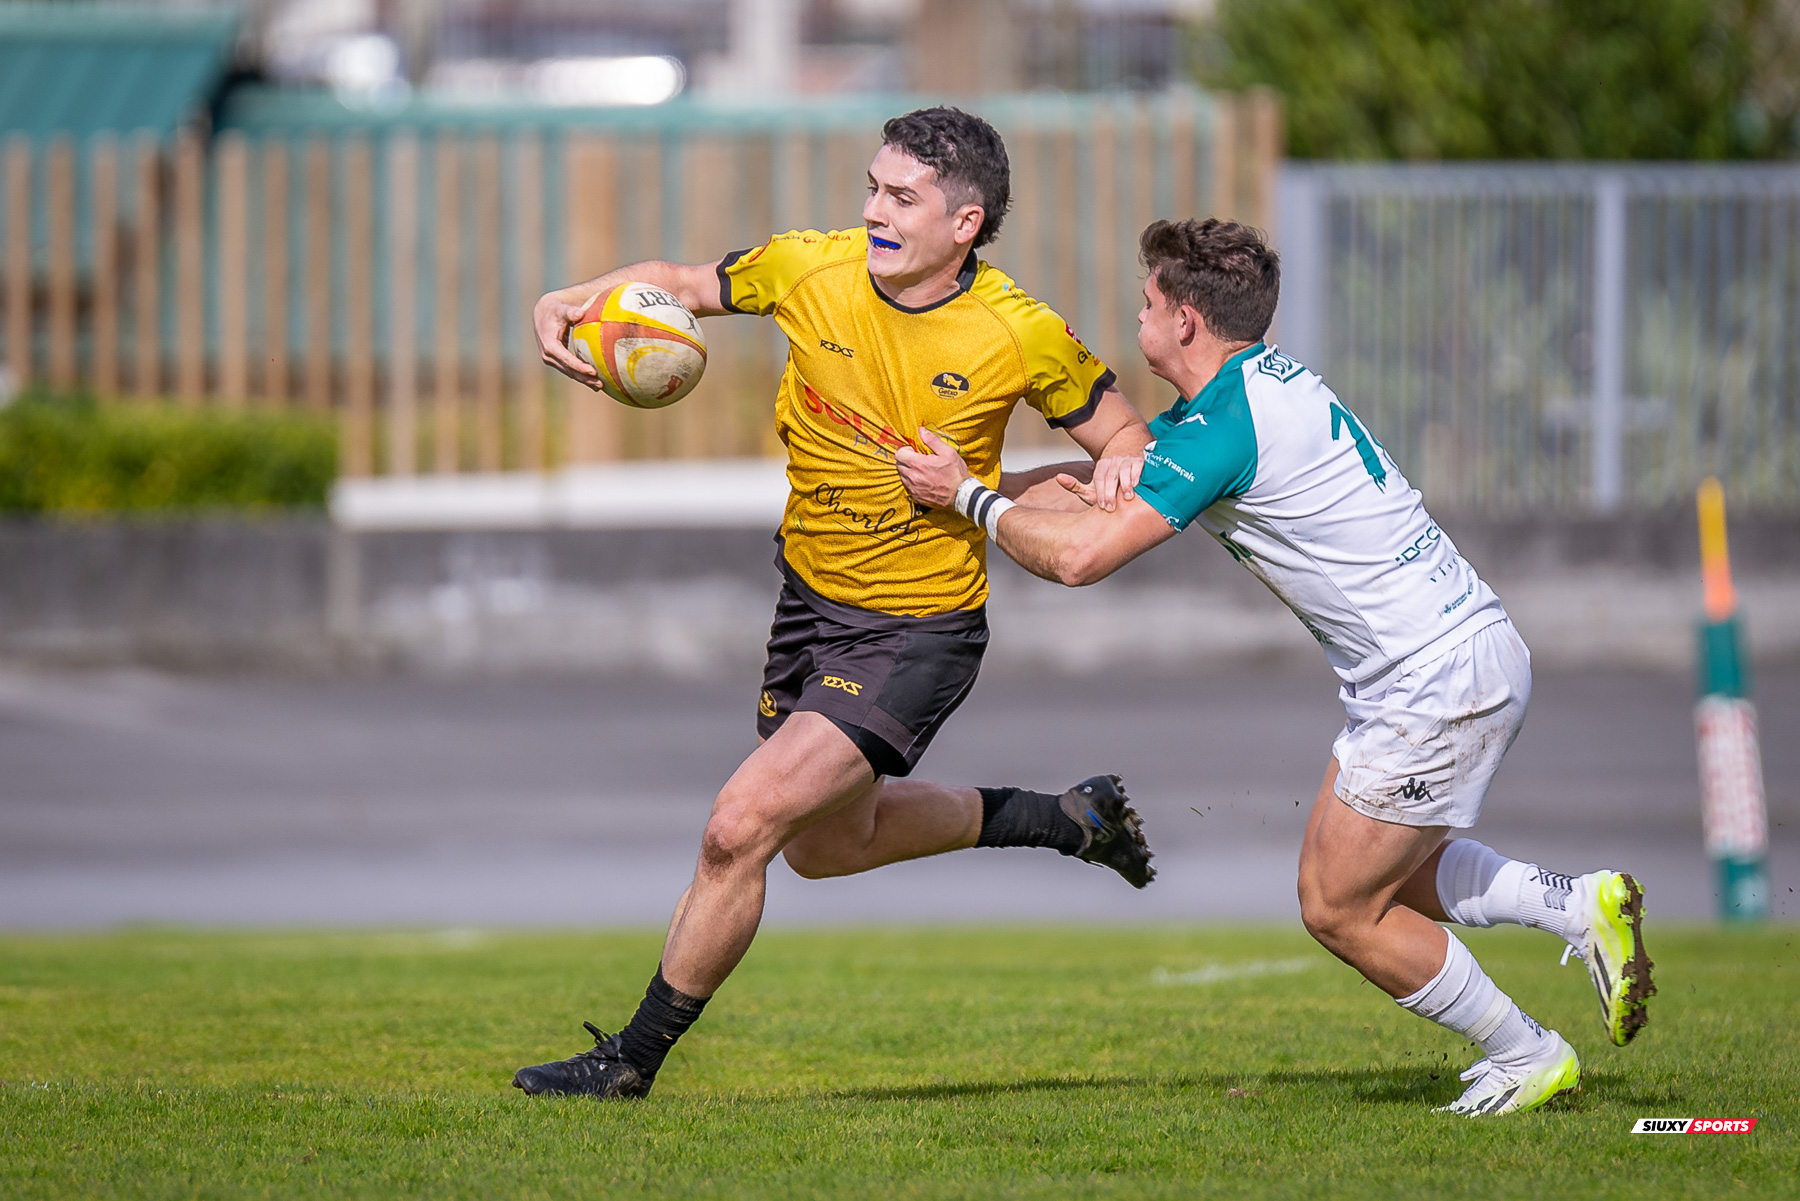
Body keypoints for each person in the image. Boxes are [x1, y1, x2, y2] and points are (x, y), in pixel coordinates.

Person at [896, 217, 1656, 1117]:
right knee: (1385, 875)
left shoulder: (1222, 428)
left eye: (1146, 302)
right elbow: (1109, 478)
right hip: (1452, 656)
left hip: (1432, 680)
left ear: (1184, 321)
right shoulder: (1244, 394)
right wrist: (990, 480)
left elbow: (1080, 559)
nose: (1133, 316)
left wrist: (971, 501)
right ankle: (1576, 904)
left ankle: (1527, 1052)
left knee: (1337, 905)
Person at [513, 107, 1158, 1099]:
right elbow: (680, 286)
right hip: (811, 606)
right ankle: (1069, 818)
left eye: (901, 197)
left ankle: (627, 1063)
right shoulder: (811, 266)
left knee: (740, 827)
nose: (874, 211)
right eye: (872, 187)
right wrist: (574, 295)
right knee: (823, 846)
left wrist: (1084, 483)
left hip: (920, 628)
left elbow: (1126, 441)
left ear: (965, 223)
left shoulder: (1018, 330)